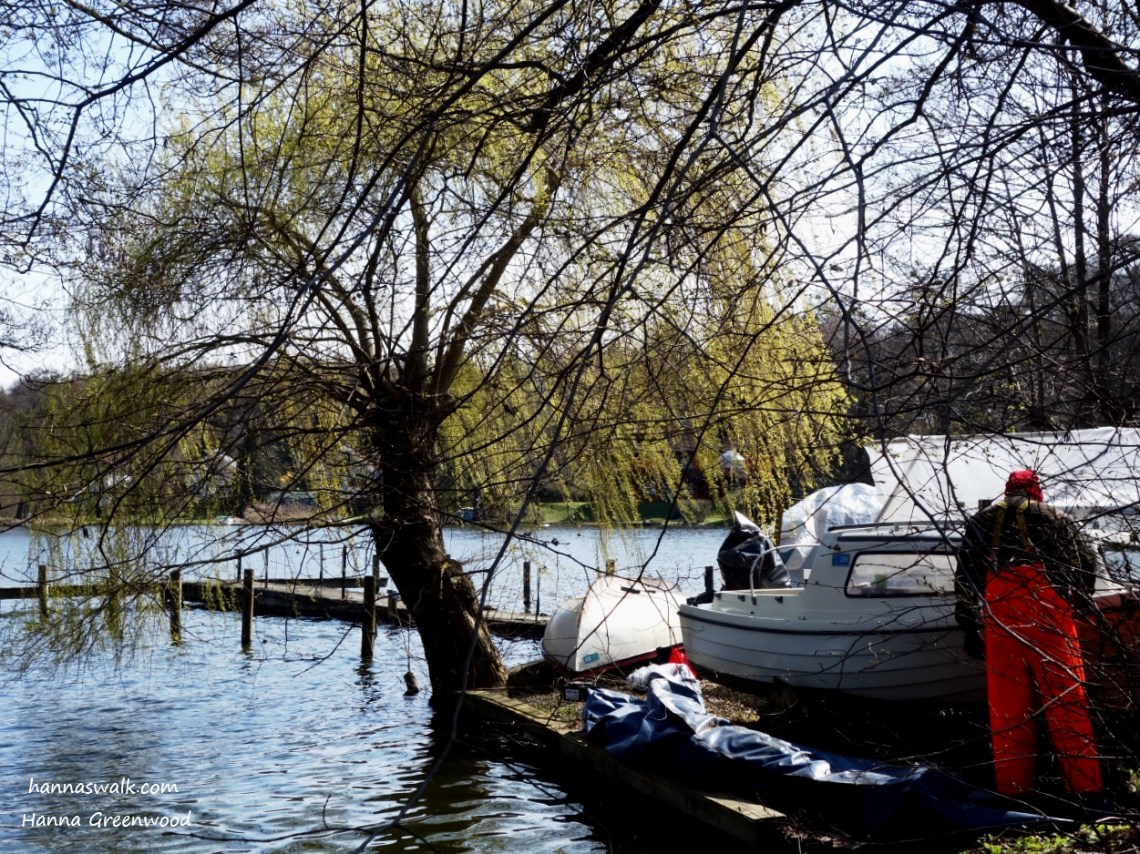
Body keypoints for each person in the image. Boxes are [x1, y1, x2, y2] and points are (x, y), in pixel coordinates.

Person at [955, 469, 1103, 798]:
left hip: (1002, 628)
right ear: (1036, 491)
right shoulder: (1054, 517)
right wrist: (1079, 597)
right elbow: (1087, 562)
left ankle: (1014, 790)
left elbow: (965, 578)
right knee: (1069, 709)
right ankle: (1086, 790)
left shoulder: (981, 521)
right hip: (1052, 626)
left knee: (1008, 716)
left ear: (1007, 490)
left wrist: (969, 628)